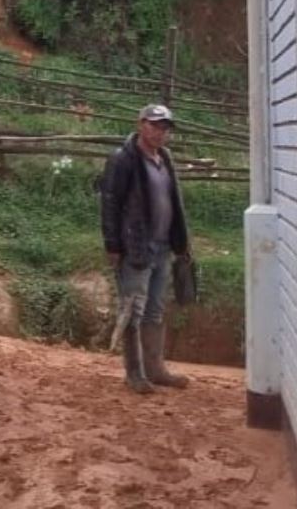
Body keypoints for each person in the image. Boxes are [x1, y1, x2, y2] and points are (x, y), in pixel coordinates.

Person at [100, 103, 193, 394]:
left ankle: (156, 369)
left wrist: (181, 243)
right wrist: (113, 244)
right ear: (140, 124)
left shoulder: (164, 158)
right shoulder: (124, 159)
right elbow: (110, 202)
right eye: (154, 125)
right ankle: (134, 373)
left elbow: (174, 203)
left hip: (162, 247)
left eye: (164, 128)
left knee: (154, 310)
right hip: (136, 247)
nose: (159, 132)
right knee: (133, 311)